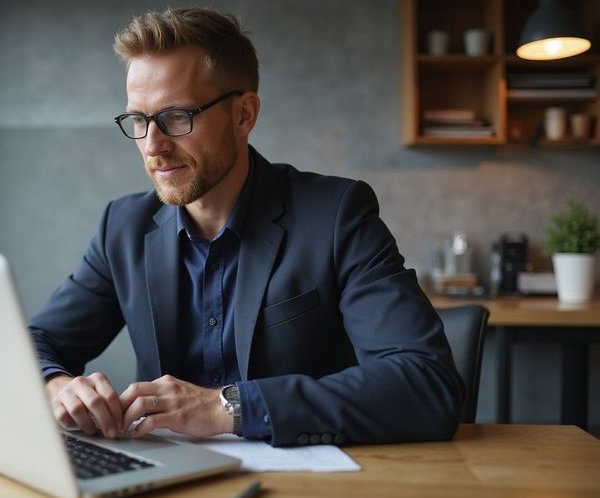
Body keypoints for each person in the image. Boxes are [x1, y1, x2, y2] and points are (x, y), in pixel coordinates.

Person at [30, 7, 463, 447]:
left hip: (310, 477)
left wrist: (227, 407)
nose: (152, 145)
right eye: (139, 120)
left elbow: (426, 385)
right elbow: (33, 342)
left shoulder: (336, 215)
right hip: (168, 475)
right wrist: (56, 386)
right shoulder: (123, 229)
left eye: (176, 116)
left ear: (244, 114)